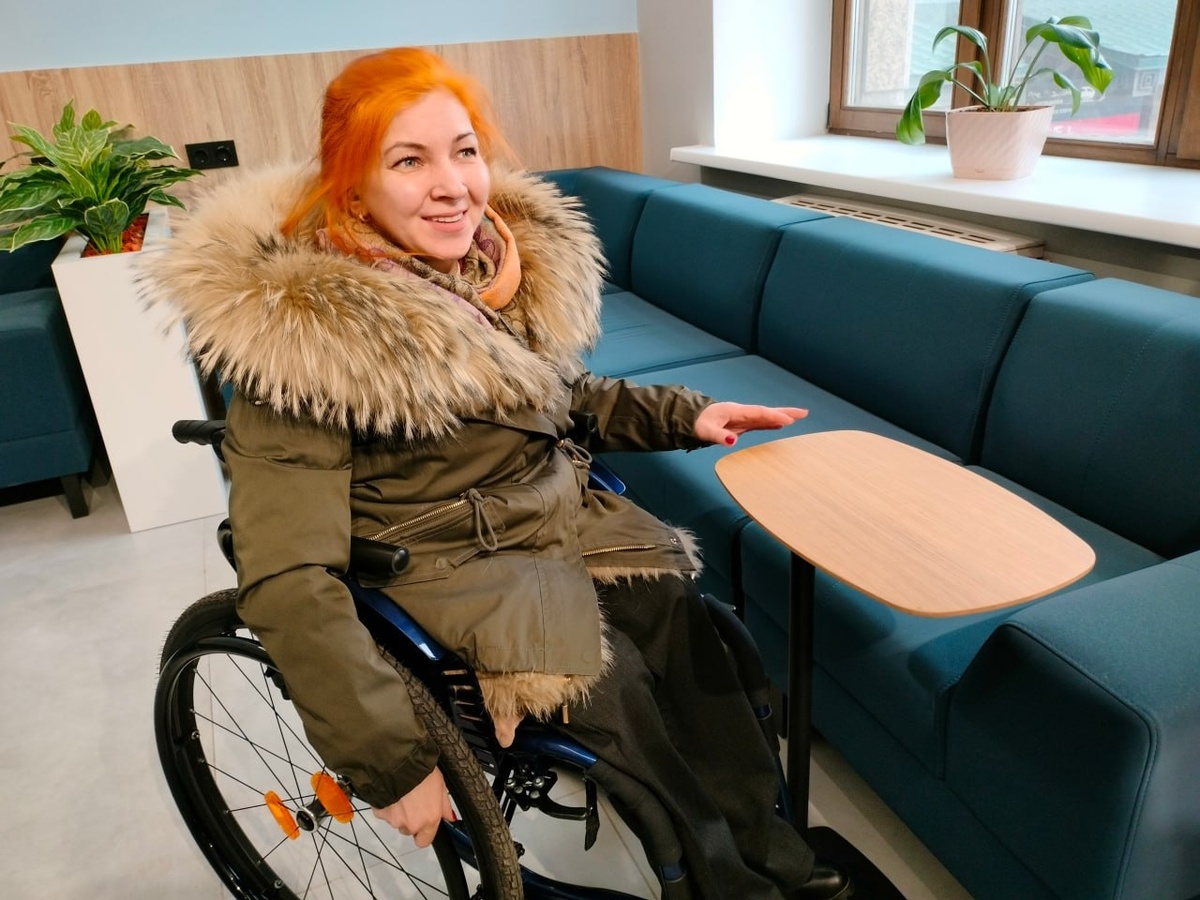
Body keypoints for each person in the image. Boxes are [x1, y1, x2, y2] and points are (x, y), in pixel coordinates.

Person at [145, 47, 851, 900]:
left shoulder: (482, 273)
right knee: (619, 690)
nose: (453, 186)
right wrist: (391, 760)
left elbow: (554, 397)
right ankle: (725, 885)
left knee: (695, 634)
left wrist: (687, 414)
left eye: (465, 151)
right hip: (448, 571)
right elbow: (287, 577)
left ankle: (767, 847)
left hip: (552, 526)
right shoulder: (303, 342)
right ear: (353, 189)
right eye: (409, 161)